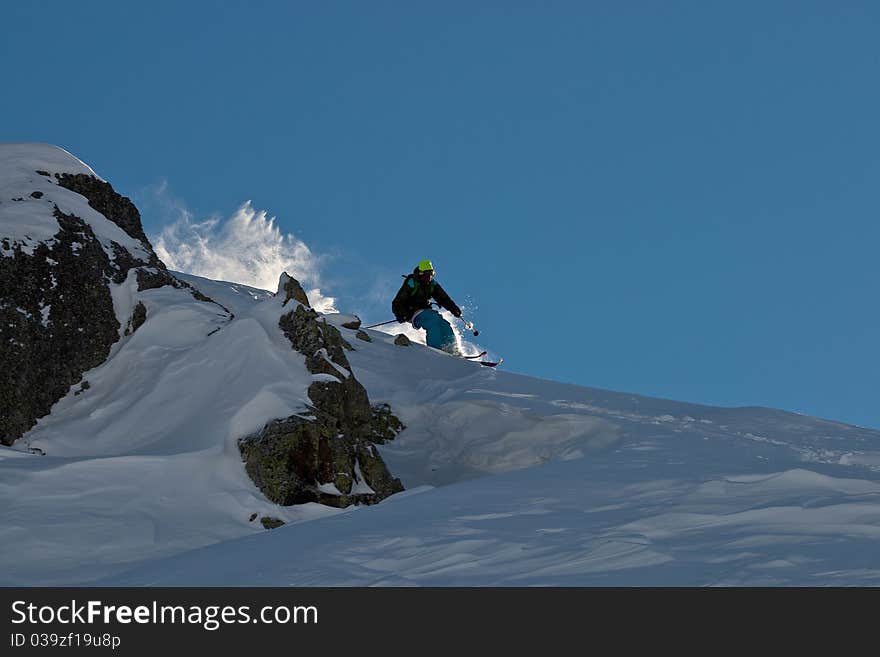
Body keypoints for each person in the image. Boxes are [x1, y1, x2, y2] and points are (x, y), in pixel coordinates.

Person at [392, 259, 462, 354]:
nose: (429, 277)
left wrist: (454, 309)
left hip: (426, 311)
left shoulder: (432, 284)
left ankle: (452, 350)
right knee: (433, 321)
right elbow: (397, 302)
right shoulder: (412, 283)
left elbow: (444, 298)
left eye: (431, 274)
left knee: (444, 324)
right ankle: (435, 350)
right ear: (421, 274)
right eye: (427, 274)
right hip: (412, 312)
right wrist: (402, 314)